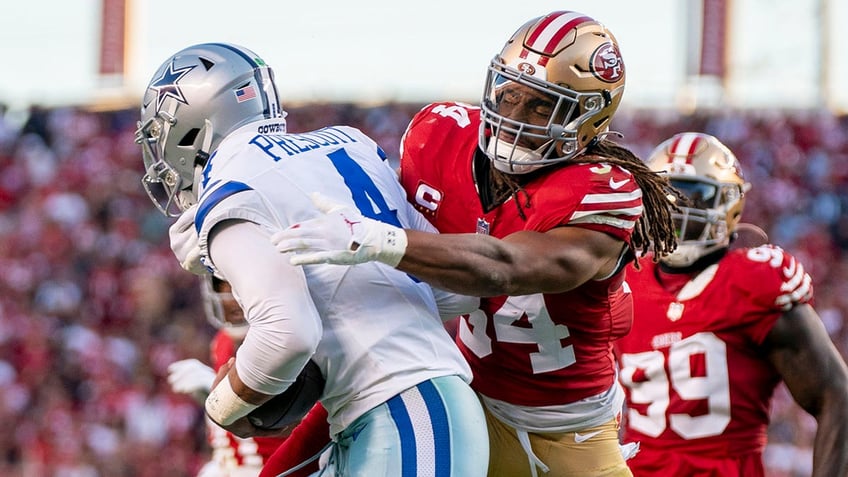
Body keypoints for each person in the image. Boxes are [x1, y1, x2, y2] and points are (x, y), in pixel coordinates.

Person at [272, 11, 679, 477]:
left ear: (590, 118)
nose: (512, 117)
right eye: (508, 94)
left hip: (570, 435)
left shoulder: (602, 190)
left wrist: (376, 239)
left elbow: (503, 265)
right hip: (464, 398)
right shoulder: (439, 135)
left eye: (542, 107)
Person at [136, 42, 489, 476]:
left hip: (400, 410)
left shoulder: (229, 190)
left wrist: (223, 403)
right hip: (406, 408)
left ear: (195, 125)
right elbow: (452, 293)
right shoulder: (350, 143)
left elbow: (288, 333)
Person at [612, 132, 848, 477]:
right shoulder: (625, 279)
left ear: (728, 204)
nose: (677, 209)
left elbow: (835, 395)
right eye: (665, 195)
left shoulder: (754, 281)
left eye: (693, 196)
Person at [167, 275, 307, 477]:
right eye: (223, 289)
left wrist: (225, 395)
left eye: (237, 288)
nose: (231, 300)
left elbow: (300, 419)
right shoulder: (221, 342)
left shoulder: (287, 338)